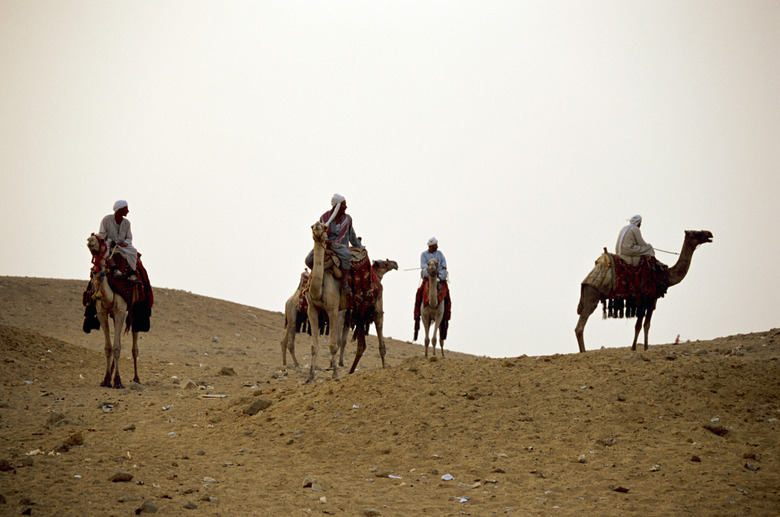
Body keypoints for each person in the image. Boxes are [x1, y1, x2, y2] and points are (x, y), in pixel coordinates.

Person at [305, 193, 363, 294]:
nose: (346, 207)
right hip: (325, 245)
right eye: (344, 205)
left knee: (347, 255)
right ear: (337, 206)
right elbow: (321, 232)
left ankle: (344, 284)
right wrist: (326, 240)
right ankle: (316, 276)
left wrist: (359, 246)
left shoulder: (347, 219)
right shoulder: (324, 217)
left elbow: (351, 235)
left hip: (340, 246)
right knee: (308, 260)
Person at [99, 200, 139, 278]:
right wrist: (108, 241)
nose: (128, 211)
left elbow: (129, 237)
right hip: (109, 243)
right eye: (126, 209)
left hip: (122, 245)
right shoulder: (107, 219)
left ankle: (132, 272)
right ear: (120, 210)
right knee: (105, 250)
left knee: (134, 251)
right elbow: (102, 233)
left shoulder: (127, 223)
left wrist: (125, 243)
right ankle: (114, 268)